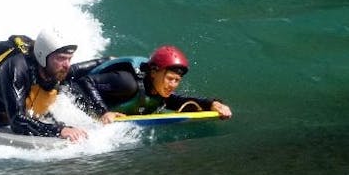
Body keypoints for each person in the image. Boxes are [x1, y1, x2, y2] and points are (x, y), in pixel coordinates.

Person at [68, 45, 232, 124]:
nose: (173, 85)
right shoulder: (127, 83)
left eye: (177, 80)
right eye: (169, 78)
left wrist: (212, 104)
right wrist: (102, 112)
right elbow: (84, 82)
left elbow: (175, 101)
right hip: (69, 95)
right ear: (154, 72)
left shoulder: (156, 90)